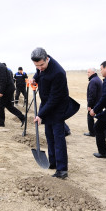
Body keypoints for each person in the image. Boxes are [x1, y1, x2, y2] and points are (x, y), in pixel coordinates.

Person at [29, 47, 80, 179]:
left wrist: (41, 114)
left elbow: (54, 99)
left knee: (58, 138)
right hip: (47, 104)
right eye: (37, 66)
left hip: (57, 108)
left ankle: (62, 170)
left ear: (47, 59)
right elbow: (39, 73)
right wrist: (35, 79)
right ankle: (53, 162)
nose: (39, 68)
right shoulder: (41, 65)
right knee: (49, 135)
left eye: (41, 65)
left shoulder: (58, 73)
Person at [0, 56, 25, 127]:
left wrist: (1, 92)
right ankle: (22, 117)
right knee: (9, 106)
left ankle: (1, 123)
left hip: (7, 89)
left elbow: (3, 80)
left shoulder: (0, 67)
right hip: (6, 89)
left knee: (0, 105)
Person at [84, 68, 102, 137]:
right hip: (99, 103)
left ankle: (92, 132)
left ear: (93, 72)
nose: (87, 74)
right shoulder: (97, 79)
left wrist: (89, 105)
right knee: (100, 117)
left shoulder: (93, 81)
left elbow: (92, 94)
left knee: (90, 117)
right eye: (87, 72)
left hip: (94, 104)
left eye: (89, 72)